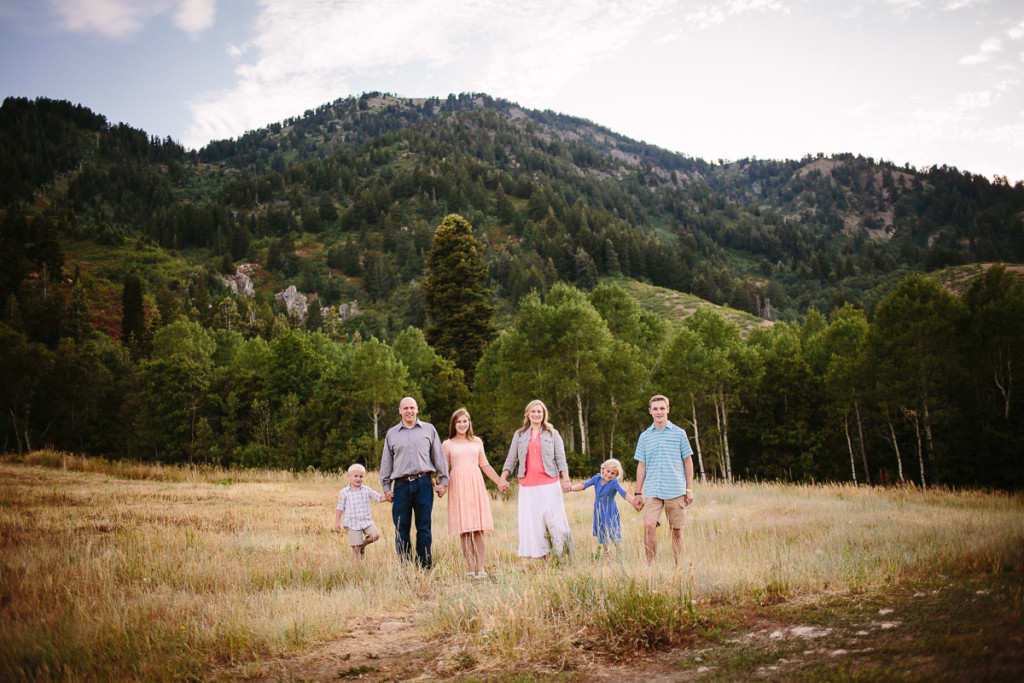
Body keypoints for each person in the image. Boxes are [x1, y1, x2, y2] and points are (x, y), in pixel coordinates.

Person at [499, 399, 574, 559]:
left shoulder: (553, 433)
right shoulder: (519, 435)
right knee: (533, 524)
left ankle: (561, 555)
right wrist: (502, 478)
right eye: (533, 411)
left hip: (549, 484)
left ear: (544, 414)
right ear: (527, 414)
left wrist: (565, 479)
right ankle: (542, 556)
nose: (536, 414)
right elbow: (511, 459)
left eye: (539, 411)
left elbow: (561, 458)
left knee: (554, 521)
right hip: (527, 486)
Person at [380, 396, 449, 569]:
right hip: (401, 486)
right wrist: (386, 487)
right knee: (401, 527)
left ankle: (424, 565)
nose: (409, 411)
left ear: (417, 409)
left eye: (412, 408)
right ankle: (406, 566)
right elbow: (386, 462)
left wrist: (443, 481)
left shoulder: (429, 430)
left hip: (424, 483)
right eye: (406, 408)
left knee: (424, 527)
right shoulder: (392, 433)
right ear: (400, 411)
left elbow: (438, 457)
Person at [443, 408, 510, 577]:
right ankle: (471, 568)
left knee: (478, 528)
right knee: (465, 528)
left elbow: (485, 465)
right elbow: (443, 469)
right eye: (459, 421)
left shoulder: (477, 442)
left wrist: (499, 481)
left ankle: (481, 568)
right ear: (454, 424)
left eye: (465, 421)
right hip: (458, 486)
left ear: (469, 423)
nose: (462, 424)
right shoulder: (447, 444)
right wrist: (440, 485)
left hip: (475, 485)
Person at [632, 394, 695, 565]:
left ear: (668, 409)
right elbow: (642, 465)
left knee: (677, 531)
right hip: (653, 491)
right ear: (650, 412)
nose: (659, 412)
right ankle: (651, 567)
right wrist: (638, 493)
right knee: (649, 525)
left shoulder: (679, 434)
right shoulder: (645, 436)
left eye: (662, 408)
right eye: (655, 409)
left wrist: (689, 490)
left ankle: (679, 567)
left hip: (675, 490)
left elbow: (688, 461)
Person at [569, 458, 637, 556]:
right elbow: (583, 485)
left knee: (613, 530)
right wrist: (570, 488)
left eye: (613, 473)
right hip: (599, 510)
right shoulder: (597, 478)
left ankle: (619, 551)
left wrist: (634, 502)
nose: (609, 475)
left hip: (610, 510)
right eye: (608, 471)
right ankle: (607, 554)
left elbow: (624, 494)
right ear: (603, 469)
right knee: (602, 532)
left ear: (616, 475)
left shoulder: (614, 482)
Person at [333, 463, 384, 562]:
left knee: (375, 536)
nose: (358, 479)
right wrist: (337, 522)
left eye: (361, 476)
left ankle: (362, 545)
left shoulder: (366, 490)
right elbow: (340, 507)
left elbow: (378, 497)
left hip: (366, 521)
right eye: (355, 476)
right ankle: (357, 569)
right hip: (352, 523)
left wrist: (388, 497)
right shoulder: (344, 492)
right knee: (355, 548)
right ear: (349, 477)